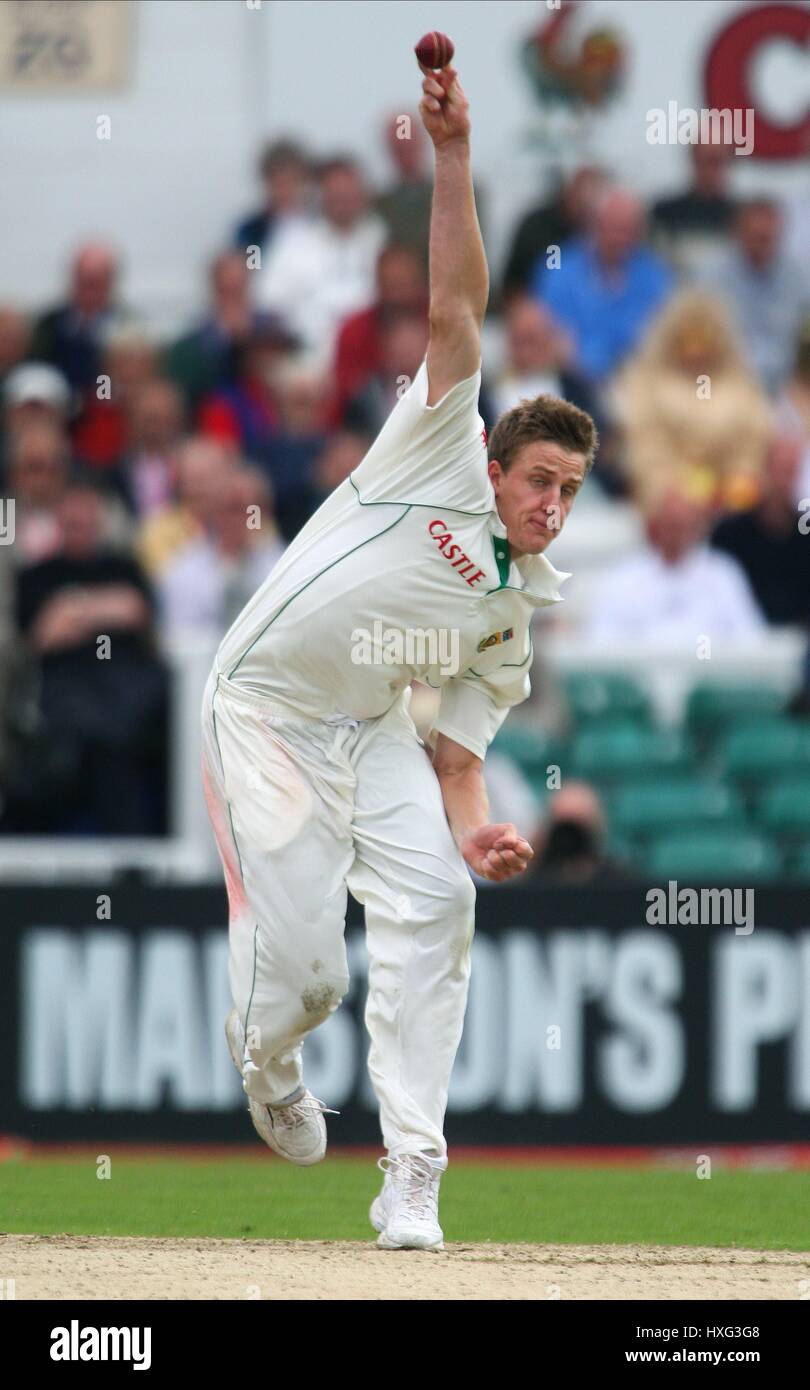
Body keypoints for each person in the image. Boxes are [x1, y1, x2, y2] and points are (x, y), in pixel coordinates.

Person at [201, 58, 596, 1252]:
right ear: (493, 465)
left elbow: (459, 755)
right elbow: (457, 300)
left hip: (370, 729)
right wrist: (456, 150)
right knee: (312, 976)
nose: (552, 506)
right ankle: (266, 1057)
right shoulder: (436, 440)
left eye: (572, 490)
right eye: (539, 481)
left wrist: (474, 826)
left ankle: (412, 1173)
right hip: (264, 704)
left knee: (439, 899)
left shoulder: (519, 601)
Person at [609, 287, 772, 511]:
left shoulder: (741, 385)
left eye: (705, 341)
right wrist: (676, 487)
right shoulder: (645, 385)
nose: (697, 352)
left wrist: (740, 478)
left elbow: (752, 443)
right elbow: (644, 449)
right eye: (688, 341)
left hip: (730, 508)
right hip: (666, 505)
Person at [531, 186, 674, 387]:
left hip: (640, 386)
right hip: (575, 385)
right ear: (593, 225)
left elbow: (664, 336)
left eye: (628, 230)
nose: (620, 238)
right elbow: (551, 338)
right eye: (613, 228)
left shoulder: (655, 275)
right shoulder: (559, 269)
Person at [585, 484, 765, 644]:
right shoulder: (623, 579)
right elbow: (602, 640)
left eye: (683, 526)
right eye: (671, 526)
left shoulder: (722, 575)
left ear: (696, 528)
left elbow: (750, 638)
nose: (677, 534)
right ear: (656, 527)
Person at [706, 199, 810, 397]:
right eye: (757, 237)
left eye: (769, 238)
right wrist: (704, 397)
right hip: (725, 387)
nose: (764, 244)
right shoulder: (710, 278)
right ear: (738, 232)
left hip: (788, 391)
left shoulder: (799, 277)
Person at [711, 434, 810, 626]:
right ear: (765, 469)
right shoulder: (729, 533)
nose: (783, 480)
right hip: (743, 643)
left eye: (791, 471)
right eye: (780, 469)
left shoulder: (805, 536)